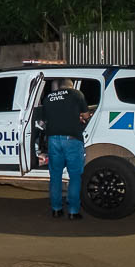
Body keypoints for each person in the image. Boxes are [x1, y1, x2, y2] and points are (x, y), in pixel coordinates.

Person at [42, 78, 90, 220]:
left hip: (53, 140)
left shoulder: (48, 97)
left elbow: (45, 119)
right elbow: (86, 115)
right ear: (71, 86)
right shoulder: (77, 94)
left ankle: (56, 209)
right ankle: (73, 211)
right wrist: (80, 117)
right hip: (72, 140)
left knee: (55, 175)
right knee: (74, 176)